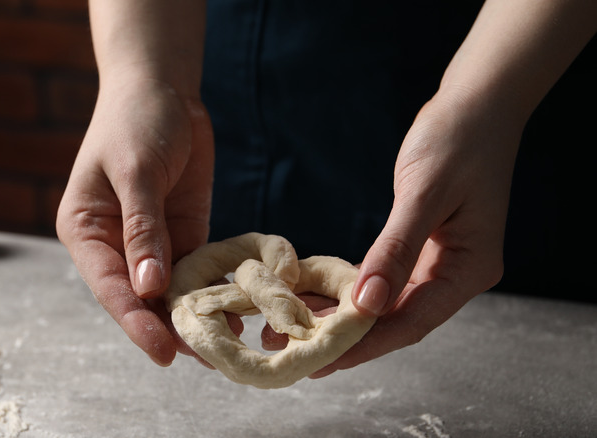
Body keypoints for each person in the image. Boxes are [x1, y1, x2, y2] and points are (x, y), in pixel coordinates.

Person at [56, 0, 597, 374]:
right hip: (210, 82)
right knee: (192, 255)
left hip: (484, 76)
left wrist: (486, 104)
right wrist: (145, 79)